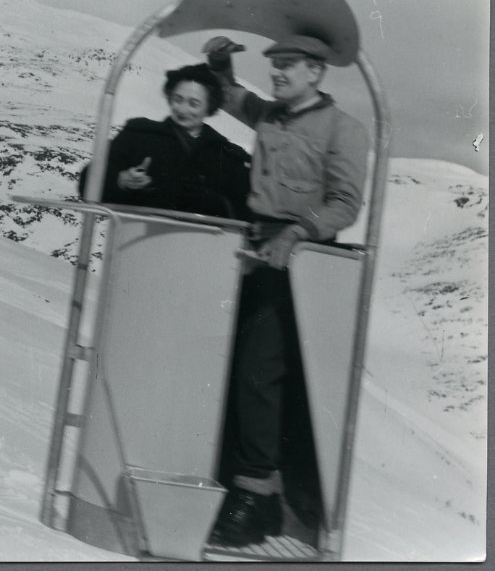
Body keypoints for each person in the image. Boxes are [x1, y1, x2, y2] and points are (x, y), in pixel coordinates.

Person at [203, 33, 369, 549]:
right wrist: (219, 62)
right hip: (251, 249)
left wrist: (297, 232)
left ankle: (260, 499)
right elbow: (232, 97)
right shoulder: (271, 115)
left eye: (288, 65)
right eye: (274, 64)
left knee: (261, 372)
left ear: (316, 72)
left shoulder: (343, 128)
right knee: (236, 369)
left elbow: (345, 202)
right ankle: (243, 488)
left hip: (297, 260)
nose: (277, 72)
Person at [79, 63, 251, 221]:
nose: (183, 109)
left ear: (209, 107)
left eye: (194, 104)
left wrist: (217, 203)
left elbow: (249, 209)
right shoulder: (139, 135)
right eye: (178, 99)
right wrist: (121, 180)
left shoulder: (226, 153)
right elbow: (88, 180)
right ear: (169, 98)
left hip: (201, 248)